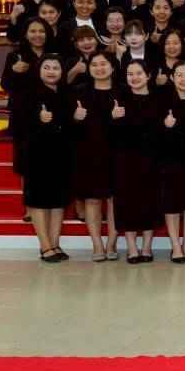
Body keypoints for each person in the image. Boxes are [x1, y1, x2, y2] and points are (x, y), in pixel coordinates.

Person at [14, 53, 74, 262]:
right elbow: (17, 126)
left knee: (58, 201)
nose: (51, 72)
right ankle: (45, 246)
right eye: (46, 67)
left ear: (62, 71)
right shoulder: (28, 93)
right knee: (39, 200)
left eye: (56, 68)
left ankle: (55, 243)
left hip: (62, 154)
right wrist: (37, 119)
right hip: (37, 154)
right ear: (38, 70)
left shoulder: (67, 92)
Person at [69, 51, 119, 261]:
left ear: (113, 67)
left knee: (115, 200)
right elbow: (67, 126)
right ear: (89, 69)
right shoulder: (80, 92)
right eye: (94, 65)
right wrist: (74, 117)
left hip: (118, 153)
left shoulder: (122, 91)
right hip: (89, 153)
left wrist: (120, 119)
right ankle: (97, 244)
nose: (99, 68)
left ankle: (112, 242)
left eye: (104, 64)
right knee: (92, 200)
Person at [112, 59, 160, 263]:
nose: (134, 77)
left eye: (139, 73)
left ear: (148, 76)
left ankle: (147, 247)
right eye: (130, 74)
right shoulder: (119, 98)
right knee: (127, 202)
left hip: (152, 158)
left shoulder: (158, 98)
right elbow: (111, 135)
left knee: (150, 201)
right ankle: (132, 247)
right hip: (126, 159)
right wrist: (114, 118)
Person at [158, 60, 185, 263]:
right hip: (170, 159)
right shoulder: (163, 100)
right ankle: (176, 246)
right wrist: (165, 126)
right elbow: (154, 133)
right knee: (172, 203)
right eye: (179, 75)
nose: (184, 79)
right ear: (172, 77)